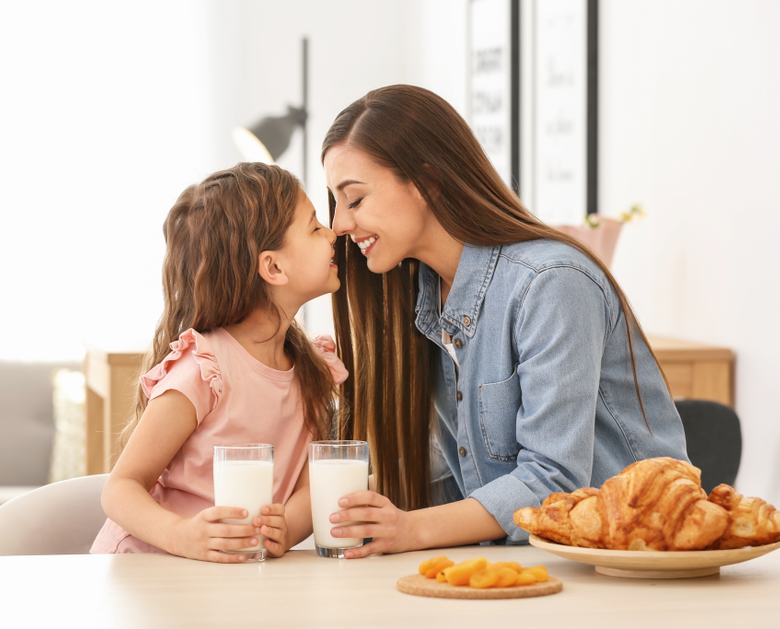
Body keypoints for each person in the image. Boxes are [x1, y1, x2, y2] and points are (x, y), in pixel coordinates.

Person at [320, 84, 690, 558]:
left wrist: (411, 530)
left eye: (353, 199)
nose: (339, 227)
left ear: (427, 182)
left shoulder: (551, 282)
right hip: (535, 565)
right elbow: (455, 473)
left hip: (634, 562)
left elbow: (554, 484)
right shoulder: (426, 297)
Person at [91, 163, 347, 562]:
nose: (332, 234)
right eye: (315, 228)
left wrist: (288, 525)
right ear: (273, 267)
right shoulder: (204, 369)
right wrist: (182, 536)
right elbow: (121, 488)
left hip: (230, 579)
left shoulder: (312, 370)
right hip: (149, 570)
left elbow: (308, 483)